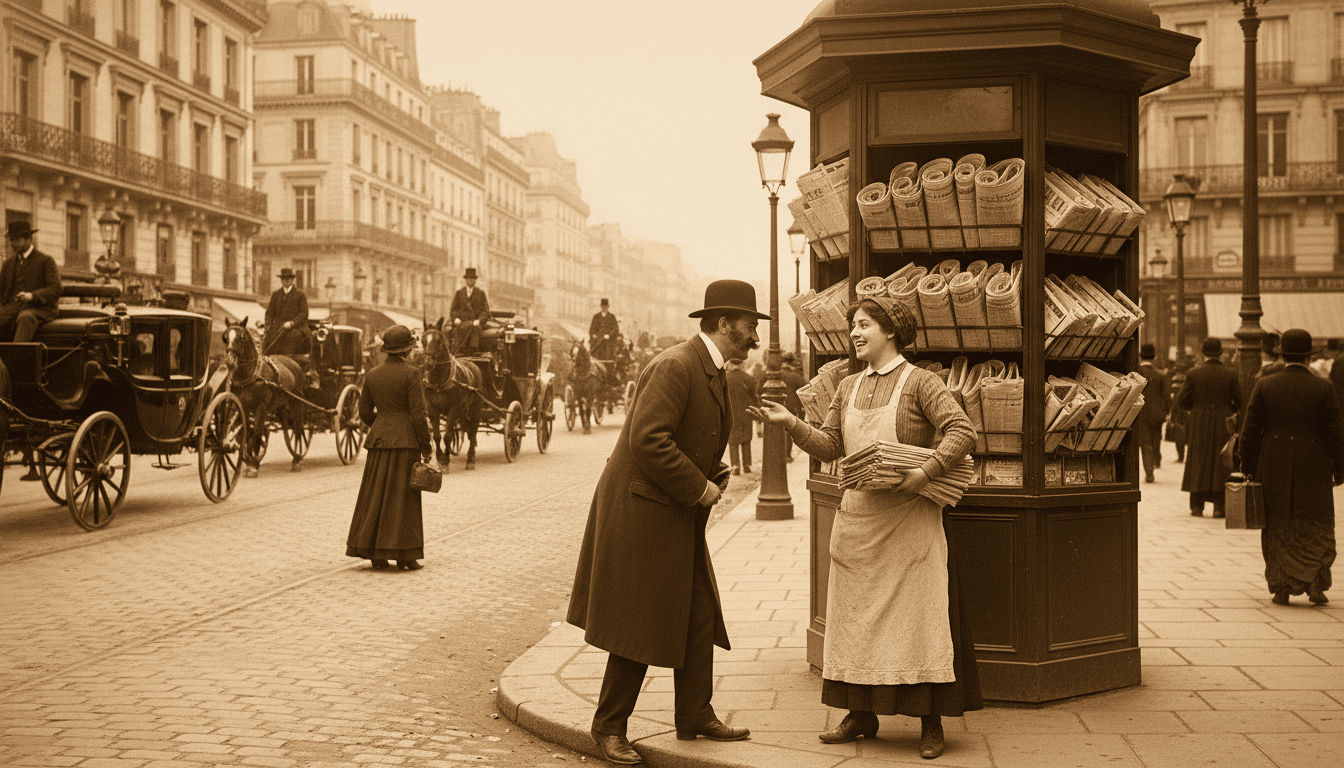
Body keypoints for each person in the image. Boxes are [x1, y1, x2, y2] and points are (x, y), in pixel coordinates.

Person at [749, 295, 981, 761]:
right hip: (858, 524)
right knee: (855, 623)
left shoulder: (922, 383)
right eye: (854, 326)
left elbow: (962, 431)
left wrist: (927, 472)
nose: (855, 333)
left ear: (891, 331)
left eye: (864, 325)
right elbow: (831, 444)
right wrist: (791, 422)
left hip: (909, 524)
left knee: (919, 622)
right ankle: (860, 714)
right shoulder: (847, 386)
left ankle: (930, 722)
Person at [568, 279, 768, 766]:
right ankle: (608, 727)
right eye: (747, 326)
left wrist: (711, 472)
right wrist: (700, 488)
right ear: (723, 324)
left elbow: (692, 435)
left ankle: (695, 713)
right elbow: (648, 440)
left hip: (670, 511)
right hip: (645, 512)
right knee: (640, 621)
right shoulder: (676, 365)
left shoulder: (710, 367)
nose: (753, 335)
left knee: (698, 613)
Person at [1238, 329, 1344, 606]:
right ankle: (1315, 584)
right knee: (1316, 521)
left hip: (1273, 460)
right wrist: (1340, 467)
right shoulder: (1324, 387)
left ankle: (1281, 586)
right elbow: (1336, 432)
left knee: (1277, 522)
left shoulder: (1265, 384)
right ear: (1309, 357)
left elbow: (1249, 429)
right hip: (1314, 461)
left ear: (1282, 354)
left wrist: (1247, 464)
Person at [346, 325, 433, 572]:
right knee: (403, 499)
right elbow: (418, 415)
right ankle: (405, 556)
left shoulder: (372, 374)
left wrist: (383, 425)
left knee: (376, 496)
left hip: (379, 443)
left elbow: (364, 412)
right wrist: (426, 446)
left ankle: (375, 553)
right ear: (407, 349)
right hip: (405, 444)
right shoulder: (412, 374)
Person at [1177, 337, 1242, 518]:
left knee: (1198, 459)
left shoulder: (1193, 373)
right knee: (1221, 460)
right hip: (1222, 420)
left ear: (1203, 353)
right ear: (1220, 353)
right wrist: (1229, 410)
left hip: (1199, 420)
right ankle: (1219, 506)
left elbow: (1182, 400)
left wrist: (1196, 409)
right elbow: (1240, 400)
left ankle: (1197, 506)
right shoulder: (1230, 373)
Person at [0, 221, 62, 343]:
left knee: (25, 317)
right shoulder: (8, 264)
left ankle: (16, 360)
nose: (12, 244)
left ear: (29, 239)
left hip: (40, 308)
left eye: (17, 239)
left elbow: (56, 289)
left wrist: (32, 296)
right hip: (12, 308)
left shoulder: (46, 261)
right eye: (11, 240)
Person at [1135, 343, 1169, 483]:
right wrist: (1167, 411)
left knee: (1145, 441)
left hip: (1141, 412)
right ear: (1154, 357)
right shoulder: (1160, 374)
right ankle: (1156, 461)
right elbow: (1166, 396)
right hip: (1157, 412)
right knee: (1156, 438)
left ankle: (1149, 472)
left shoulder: (1136, 373)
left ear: (1140, 356)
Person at [726, 358, 758, 475]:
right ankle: (747, 464)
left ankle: (735, 465)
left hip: (730, 413)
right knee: (746, 438)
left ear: (730, 363)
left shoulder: (725, 378)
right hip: (746, 412)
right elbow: (754, 397)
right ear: (742, 364)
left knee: (732, 440)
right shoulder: (749, 379)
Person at [450, 267, 490, 355]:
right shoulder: (459, 293)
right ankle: (458, 351)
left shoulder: (481, 293)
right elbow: (453, 309)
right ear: (465, 280)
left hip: (475, 324)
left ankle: (473, 351)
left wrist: (479, 320)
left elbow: (486, 311)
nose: (470, 280)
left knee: (475, 331)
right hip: (461, 323)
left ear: (475, 280)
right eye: (468, 278)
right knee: (454, 333)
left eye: (472, 278)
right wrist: (455, 318)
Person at [779, 352, 808, 462]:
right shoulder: (796, 377)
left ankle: (777, 454)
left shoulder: (776, 375)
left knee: (776, 430)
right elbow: (804, 392)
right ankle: (786, 455)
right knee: (787, 431)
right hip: (791, 407)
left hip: (777, 405)